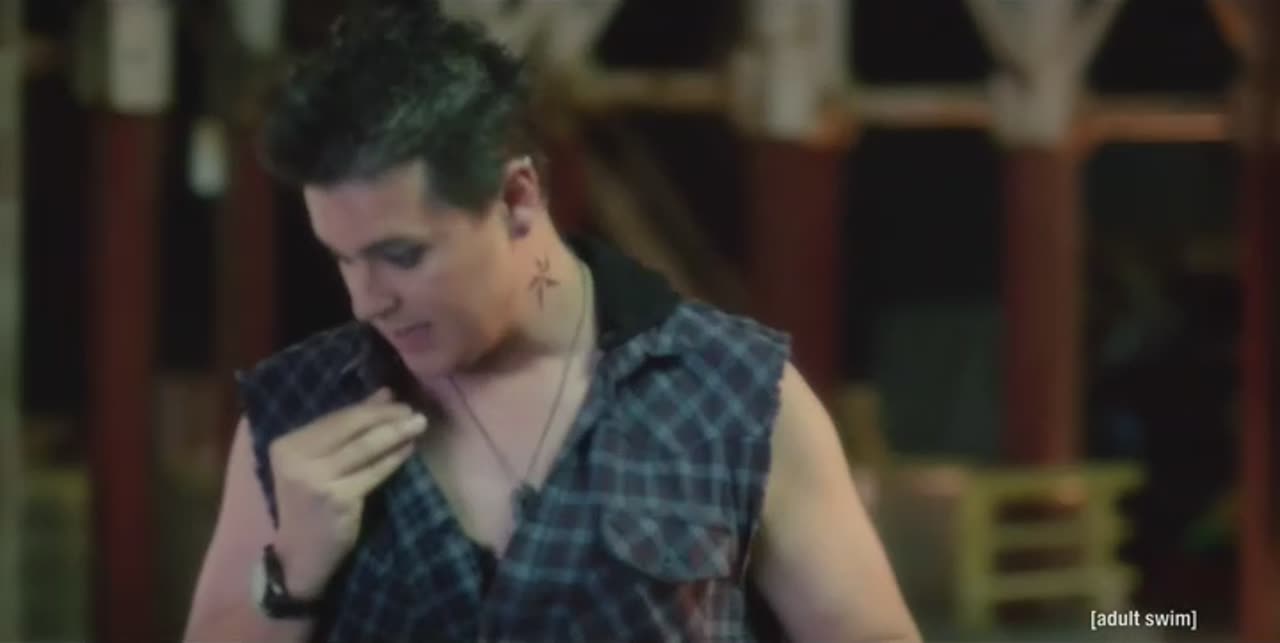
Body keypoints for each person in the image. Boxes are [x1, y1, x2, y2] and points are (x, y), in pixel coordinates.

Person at [183, 1, 919, 641]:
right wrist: (290, 573)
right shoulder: (297, 416)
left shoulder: (735, 397)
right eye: (342, 259)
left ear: (517, 198)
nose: (366, 300)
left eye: (401, 255)